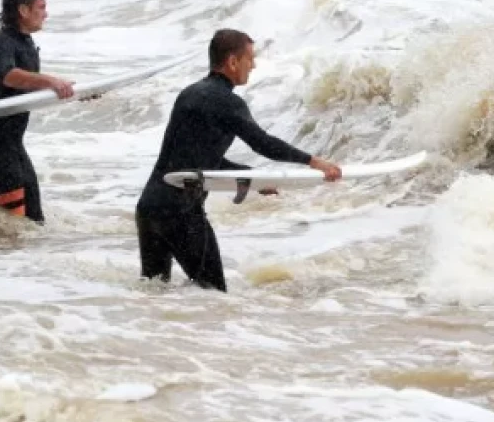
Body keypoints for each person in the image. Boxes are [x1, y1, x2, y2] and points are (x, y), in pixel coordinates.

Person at [135, 29, 342, 292]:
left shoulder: (189, 94)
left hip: (150, 207)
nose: (253, 65)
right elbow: (263, 143)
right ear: (232, 62)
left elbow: (200, 160)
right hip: (180, 212)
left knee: (153, 293)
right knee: (213, 296)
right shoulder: (228, 102)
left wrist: (254, 179)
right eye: (249, 59)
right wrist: (313, 161)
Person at [0, 0, 74, 224]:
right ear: (23, 10)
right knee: (12, 225)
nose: (46, 13)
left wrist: (78, 93)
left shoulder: (25, 42)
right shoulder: (2, 42)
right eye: (41, 7)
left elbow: (31, 89)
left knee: (33, 222)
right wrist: (51, 81)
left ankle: (23, 263)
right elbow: (9, 77)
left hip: (13, 143)